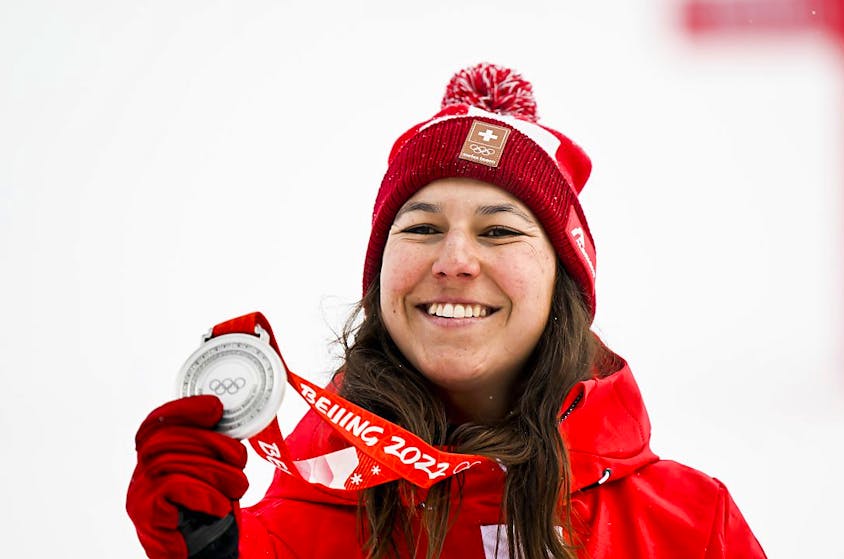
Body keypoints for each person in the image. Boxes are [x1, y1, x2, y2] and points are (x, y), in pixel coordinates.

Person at [127, 62, 767, 559]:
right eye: (423, 228)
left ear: (563, 280)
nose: (455, 260)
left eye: (499, 232)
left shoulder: (685, 524)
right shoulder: (285, 532)